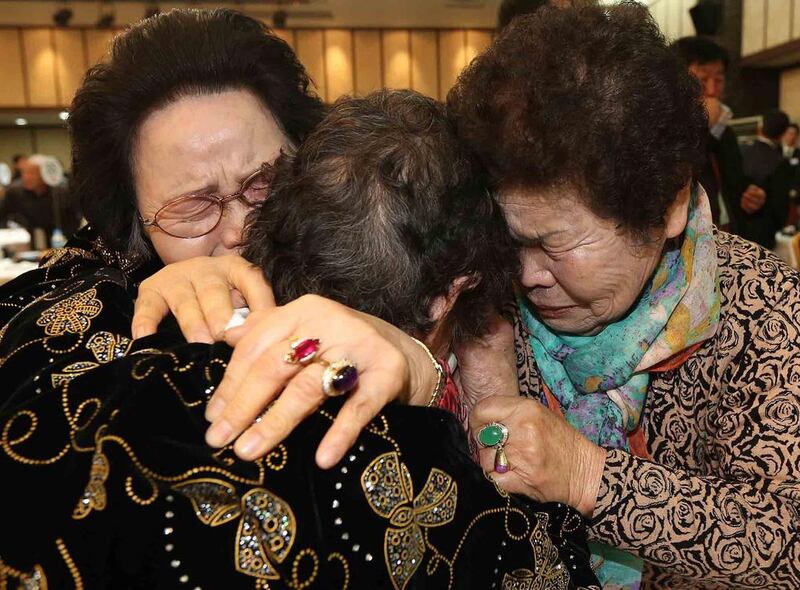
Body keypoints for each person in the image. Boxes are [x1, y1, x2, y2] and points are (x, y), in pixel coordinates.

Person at [153, 4, 800, 589]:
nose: (527, 273)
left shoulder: (765, 314)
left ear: (670, 207)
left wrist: (589, 478)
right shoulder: (482, 296)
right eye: (510, 238)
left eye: (555, 244)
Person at [0, 89, 599, 589]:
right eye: (194, 205)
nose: (233, 227)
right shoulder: (459, 500)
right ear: (450, 293)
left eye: (254, 187)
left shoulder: (107, 349)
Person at [670, 35, 767, 235]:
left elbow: (733, 183)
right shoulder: (664, 131)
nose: (713, 90)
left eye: (719, 80)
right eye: (703, 80)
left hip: (726, 235)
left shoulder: (725, 132)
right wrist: (703, 125)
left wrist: (749, 194)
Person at [0, 154, 82, 247]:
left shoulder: (62, 191)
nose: (26, 177)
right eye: (24, 173)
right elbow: (3, 216)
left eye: (32, 173)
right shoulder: (14, 192)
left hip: (60, 244)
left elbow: (74, 220)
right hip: (26, 245)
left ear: (45, 173)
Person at [739, 109, 794, 248]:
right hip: (765, 230)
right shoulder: (780, 162)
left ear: (761, 126)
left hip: (739, 226)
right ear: (783, 133)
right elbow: (780, 204)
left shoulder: (741, 151)